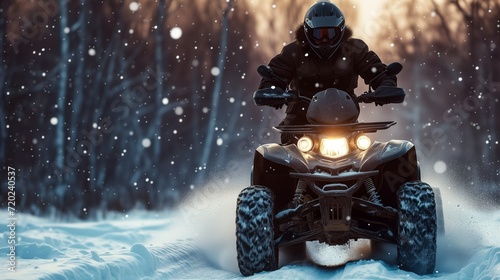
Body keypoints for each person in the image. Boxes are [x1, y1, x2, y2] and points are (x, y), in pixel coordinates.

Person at [258, 0, 397, 144]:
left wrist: (386, 86)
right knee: (274, 157)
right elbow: (276, 74)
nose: (324, 39)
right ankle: (284, 165)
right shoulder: (293, 52)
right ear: (308, 32)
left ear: (340, 31)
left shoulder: (354, 49)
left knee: (393, 153)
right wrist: (271, 90)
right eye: (318, 34)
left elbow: (376, 71)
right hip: (299, 123)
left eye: (330, 33)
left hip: (346, 121)